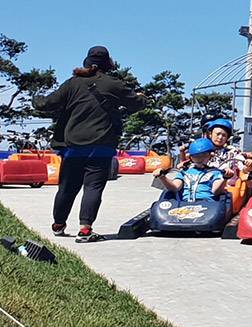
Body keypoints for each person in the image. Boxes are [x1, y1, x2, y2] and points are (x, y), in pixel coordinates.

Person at [33, 46, 146, 242]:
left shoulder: (73, 84)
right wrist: (142, 99)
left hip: (73, 145)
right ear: (108, 64)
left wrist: (36, 98)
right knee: (93, 187)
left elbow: (46, 104)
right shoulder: (113, 84)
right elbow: (136, 104)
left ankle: (58, 225)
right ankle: (85, 230)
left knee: (67, 187)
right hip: (101, 145)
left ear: (87, 62)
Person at [157, 138, 225, 202]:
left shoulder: (215, 172)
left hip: (208, 205)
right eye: (196, 156)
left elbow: (216, 191)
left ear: (211, 155)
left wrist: (225, 178)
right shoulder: (184, 172)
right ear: (191, 158)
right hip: (185, 205)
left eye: (204, 155)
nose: (199, 159)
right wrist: (162, 177)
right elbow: (175, 187)